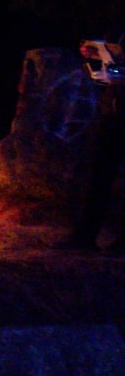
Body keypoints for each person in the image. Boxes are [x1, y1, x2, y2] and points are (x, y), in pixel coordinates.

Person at [61, 39, 125, 252]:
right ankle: (84, 236)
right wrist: (100, 56)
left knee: (104, 174)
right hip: (114, 109)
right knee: (98, 174)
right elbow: (115, 68)